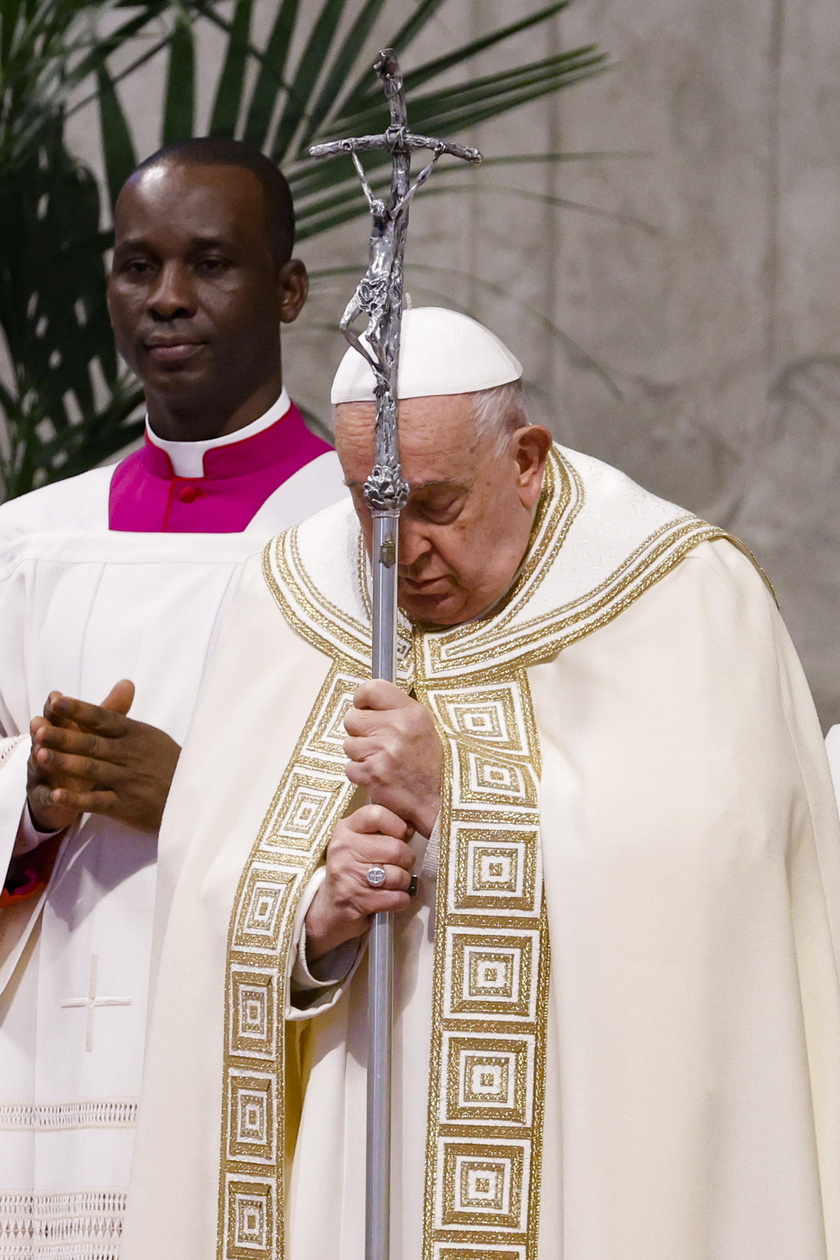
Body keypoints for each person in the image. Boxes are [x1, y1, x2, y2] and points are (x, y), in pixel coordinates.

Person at [123, 307, 840, 1260]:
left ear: (528, 460)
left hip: (592, 1171)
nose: (399, 551)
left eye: (436, 505)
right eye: (367, 504)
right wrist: (311, 922)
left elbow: (720, 886)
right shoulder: (288, 594)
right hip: (352, 1153)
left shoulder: (684, 593)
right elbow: (204, 884)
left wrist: (456, 800)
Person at [0, 138, 345, 1251]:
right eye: (137, 265)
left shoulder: (365, 537)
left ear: (288, 288)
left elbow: (431, 808)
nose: (168, 299)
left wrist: (191, 797)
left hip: (264, 1036)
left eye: (211, 263)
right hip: (43, 1058)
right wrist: (34, 795)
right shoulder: (27, 541)